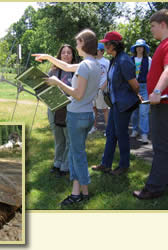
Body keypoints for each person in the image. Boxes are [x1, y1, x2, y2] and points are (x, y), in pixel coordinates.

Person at [33, 29, 101, 206]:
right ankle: (82, 192)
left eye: (77, 43)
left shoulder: (85, 66)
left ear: (83, 44)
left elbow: (77, 94)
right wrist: (48, 57)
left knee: (77, 157)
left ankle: (77, 194)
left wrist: (57, 82)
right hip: (86, 115)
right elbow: (67, 67)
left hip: (77, 115)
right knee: (77, 154)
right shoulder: (95, 64)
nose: (76, 46)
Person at [133, 9, 168, 199]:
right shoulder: (165, 44)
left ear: (163, 24)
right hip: (166, 102)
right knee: (166, 146)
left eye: (153, 26)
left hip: (167, 102)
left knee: (161, 147)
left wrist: (156, 91)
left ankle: (154, 188)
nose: (152, 30)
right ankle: (167, 182)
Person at [91, 31, 140, 176]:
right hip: (115, 103)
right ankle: (105, 164)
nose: (104, 46)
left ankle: (124, 166)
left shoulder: (124, 60)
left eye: (107, 43)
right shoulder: (115, 59)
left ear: (114, 45)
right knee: (111, 133)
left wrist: (135, 96)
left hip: (123, 104)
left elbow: (135, 84)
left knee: (121, 134)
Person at [47, 44, 77, 177]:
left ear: (73, 56)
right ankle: (57, 163)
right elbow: (45, 90)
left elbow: (78, 92)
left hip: (69, 109)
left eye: (69, 53)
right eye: (63, 53)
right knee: (58, 138)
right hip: (54, 108)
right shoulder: (52, 72)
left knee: (69, 138)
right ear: (59, 56)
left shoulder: (77, 72)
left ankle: (65, 165)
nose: (66, 55)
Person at [130, 39, 152, 144]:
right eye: (137, 47)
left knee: (144, 112)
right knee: (134, 112)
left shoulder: (148, 60)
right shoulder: (130, 60)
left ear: (144, 49)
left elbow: (152, 75)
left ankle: (144, 133)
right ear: (135, 49)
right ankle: (135, 129)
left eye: (141, 47)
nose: (139, 48)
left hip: (144, 87)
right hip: (133, 88)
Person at [89, 43, 110, 136]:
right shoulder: (91, 61)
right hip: (93, 89)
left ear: (102, 51)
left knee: (105, 109)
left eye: (97, 50)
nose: (95, 52)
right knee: (93, 108)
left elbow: (109, 77)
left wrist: (102, 87)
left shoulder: (106, 62)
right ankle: (93, 127)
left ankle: (108, 129)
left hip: (102, 88)